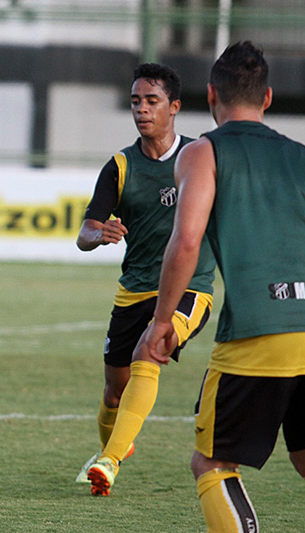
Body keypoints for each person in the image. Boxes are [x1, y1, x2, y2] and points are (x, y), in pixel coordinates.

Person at [134, 41, 305, 532]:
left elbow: (186, 240)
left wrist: (162, 321)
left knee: (212, 462)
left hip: (257, 331)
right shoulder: (299, 156)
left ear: (211, 94)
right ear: (267, 97)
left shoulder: (202, 153)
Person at [74, 63, 216, 496]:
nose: (142, 109)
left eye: (152, 101)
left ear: (174, 107)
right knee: (113, 394)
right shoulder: (120, 166)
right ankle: (114, 447)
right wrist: (99, 234)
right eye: (136, 101)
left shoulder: (201, 157)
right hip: (134, 291)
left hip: (191, 289)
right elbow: (84, 233)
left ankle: (109, 461)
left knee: (148, 352)